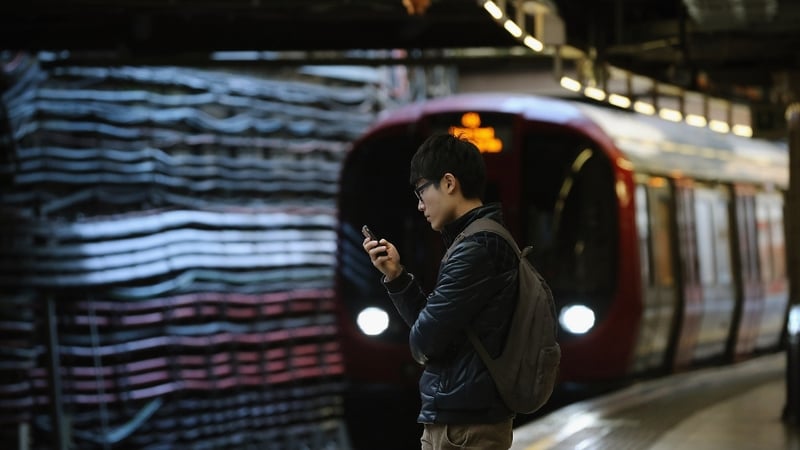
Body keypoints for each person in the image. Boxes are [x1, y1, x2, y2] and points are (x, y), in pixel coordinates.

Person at [362, 133, 519, 450]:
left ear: (448, 183)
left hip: (466, 427)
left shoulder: (477, 248)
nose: (420, 205)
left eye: (422, 191)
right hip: (459, 418)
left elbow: (425, 341)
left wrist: (421, 338)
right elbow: (434, 330)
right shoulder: (473, 243)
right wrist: (396, 276)